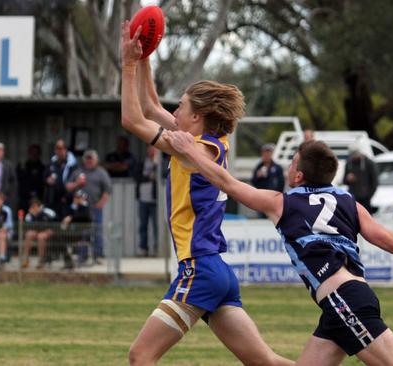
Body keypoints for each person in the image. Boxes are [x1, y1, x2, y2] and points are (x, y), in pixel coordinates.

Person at [165, 132, 393, 366]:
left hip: (343, 301)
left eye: (291, 162)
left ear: (298, 176)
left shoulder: (282, 202)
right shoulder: (347, 200)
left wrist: (190, 152)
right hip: (348, 299)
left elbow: (225, 181)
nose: (287, 167)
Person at [121, 21, 292, 366]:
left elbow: (133, 119)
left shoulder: (191, 148)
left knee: (140, 357)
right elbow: (151, 107)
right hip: (217, 272)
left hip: (199, 268)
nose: (174, 112)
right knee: (266, 362)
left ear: (196, 116)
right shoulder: (210, 142)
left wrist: (126, 65)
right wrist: (145, 57)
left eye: (181, 107)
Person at [66, 149, 111, 263]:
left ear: (96, 160)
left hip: (95, 208)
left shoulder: (101, 172)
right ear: (84, 160)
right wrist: (77, 183)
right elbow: (68, 186)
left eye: (91, 159)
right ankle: (82, 255)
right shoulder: (78, 172)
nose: (89, 161)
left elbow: (108, 190)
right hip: (81, 209)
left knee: (97, 231)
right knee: (81, 232)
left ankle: (98, 255)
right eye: (87, 159)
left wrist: (101, 204)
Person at [59, 189, 93, 269]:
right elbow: (65, 216)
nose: (76, 199)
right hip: (72, 233)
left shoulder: (86, 207)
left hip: (82, 233)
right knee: (58, 238)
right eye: (75, 197)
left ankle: (83, 257)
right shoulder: (72, 207)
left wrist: (71, 217)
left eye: (78, 197)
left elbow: (84, 217)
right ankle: (68, 260)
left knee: (84, 236)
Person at [45, 139, 78, 219]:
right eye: (57, 148)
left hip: (66, 200)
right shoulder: (52, 163)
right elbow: (44, 177)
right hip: (52, 199)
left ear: (65, 149)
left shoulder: (72, 164)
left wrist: (66, 196)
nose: (58, 151)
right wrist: (47, 180)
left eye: (60, 148)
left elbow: (74, 182)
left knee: (64, 226)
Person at [21, 198, 57, 269]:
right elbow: (28, 228)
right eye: (32, 207)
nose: (33, 208)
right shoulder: (29, 215)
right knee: (28, 234)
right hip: (37, 231)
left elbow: (56, 223)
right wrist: (34, 216)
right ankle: (26, 259)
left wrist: (50, 230)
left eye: (35, 207)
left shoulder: (48, 212)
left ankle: (41, 261)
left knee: (41, 236)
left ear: (39, 206)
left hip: (49, 232)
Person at [251, 143, 285, 218]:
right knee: (261, 218)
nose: (266, 154)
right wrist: (258, 176)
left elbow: (281, 183)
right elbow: (253, 182)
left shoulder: (277, 168)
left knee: (274, 218)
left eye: (268, 152)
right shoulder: (258, 167)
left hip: (274, 199)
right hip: (261, 199)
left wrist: (278, 196)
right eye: (265, 152)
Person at [342, 143, 378, 213]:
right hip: (353, 198)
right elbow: (344, 180)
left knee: (365, 219)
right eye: (352, 155)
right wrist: (347, 179)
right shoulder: (349, 163)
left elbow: (374, 181)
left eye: (355, 154)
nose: (353, 157)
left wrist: (369, 196)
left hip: (365, 199)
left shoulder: (369, 163)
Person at [137, 145, 158, 256]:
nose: (152, 152)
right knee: (143, 225)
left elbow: (162, 175)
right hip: (143, 198)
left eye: (154, 150)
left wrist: (156, 164)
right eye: (150, 149)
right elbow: (137, 176)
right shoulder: (142, 163)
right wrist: (149, 178)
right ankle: (143, 248)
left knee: (156, 225)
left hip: (155, 200)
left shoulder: (159, 163)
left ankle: (156, 248)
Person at [17, 144, 46, 213]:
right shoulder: (23, 166)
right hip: (24, 198)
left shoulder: (42, 168)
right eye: (32, 152)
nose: (33, 155)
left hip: (38, 197)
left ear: (39, 154)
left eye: (35, 153)